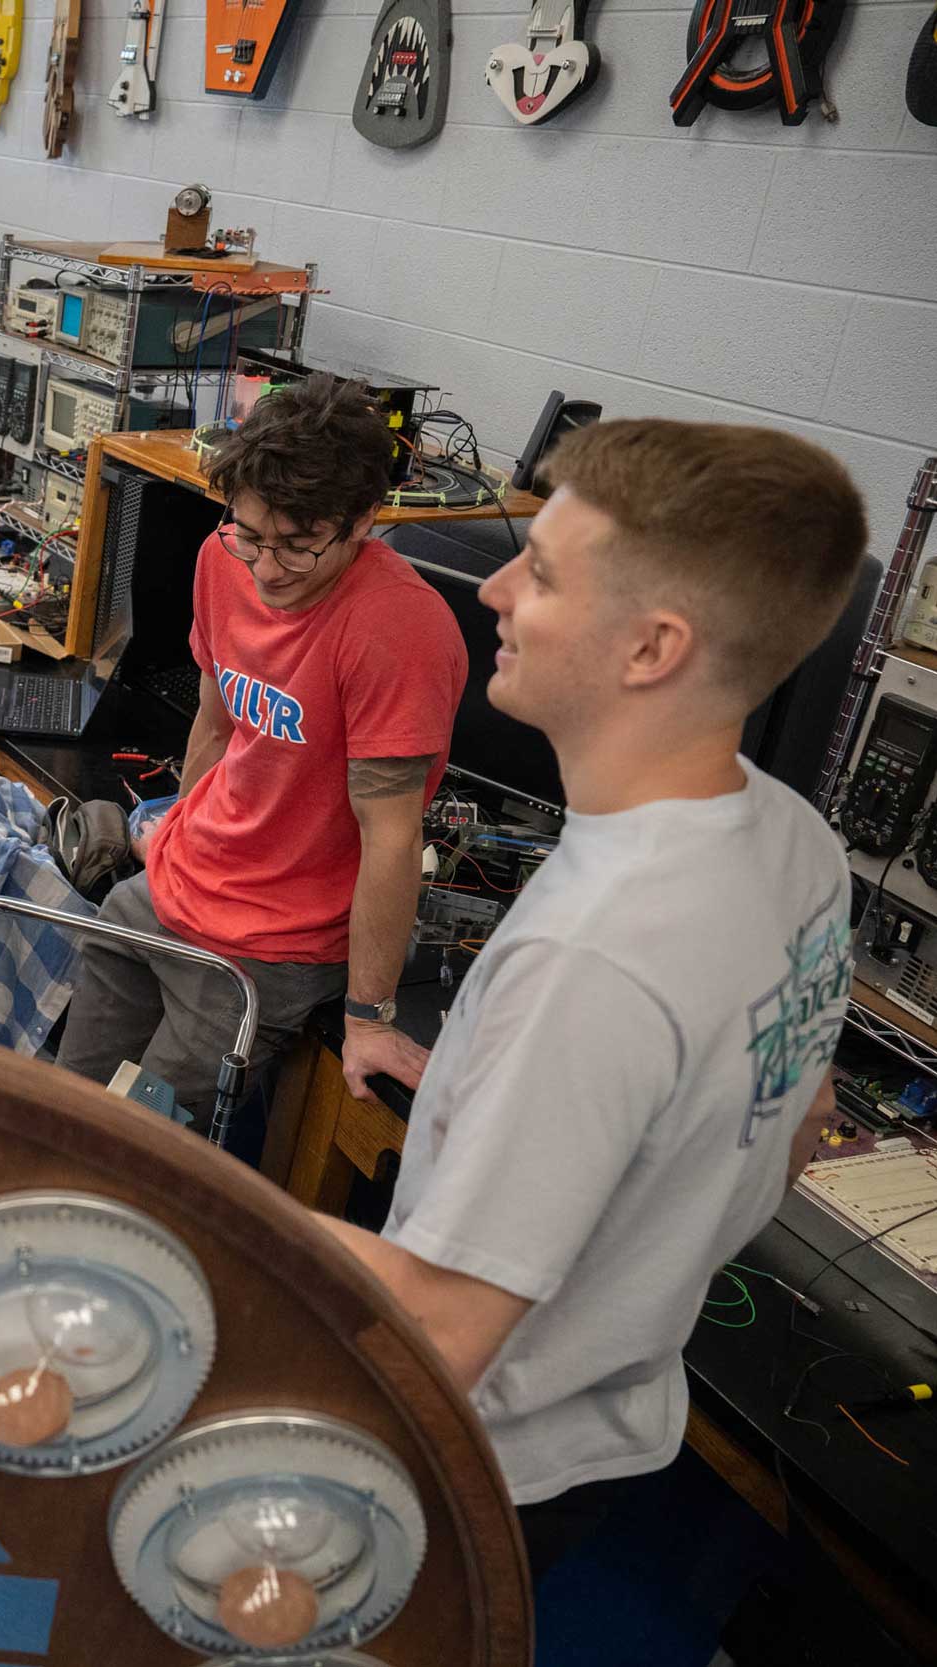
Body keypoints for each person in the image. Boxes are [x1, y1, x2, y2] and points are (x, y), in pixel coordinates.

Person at [313, 420, 866, 1576]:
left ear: (650, 647)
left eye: (545, 574)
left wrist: (142, 1193)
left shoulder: (591, 956)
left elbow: (444, 1333)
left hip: (471, 1462)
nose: (497, 589)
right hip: (609, 1420)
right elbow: (802, 1118)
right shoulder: (795, 840)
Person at [57, 375, 465, 1113]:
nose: (268, 568)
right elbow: (216, 722)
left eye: (300, 547)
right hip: (171, 888)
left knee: (133, 1148)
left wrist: (369, 1015)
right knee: (61, 1106)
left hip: (264, 946)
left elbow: (393, 837)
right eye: (252, 535)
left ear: (365, 519)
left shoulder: (399, 630)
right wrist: (177, 825)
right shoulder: (224, 559)